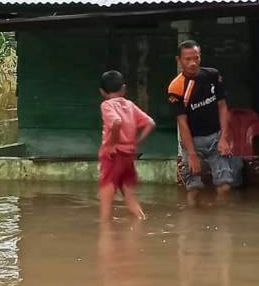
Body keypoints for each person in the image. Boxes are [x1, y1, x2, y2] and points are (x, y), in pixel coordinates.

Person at [169, 40, 241, 202]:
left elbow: (222, 106)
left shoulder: (212, 75)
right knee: (194, 189)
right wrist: (192, 154)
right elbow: (182, 122)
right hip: (192, 141)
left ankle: (221, 220)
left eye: (196, 58)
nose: (193, 63)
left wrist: (224, 137)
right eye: (187, 59)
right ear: (178, 60)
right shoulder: (176, 87)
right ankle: (191, 221)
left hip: (216, 137)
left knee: (225, 186)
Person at [98, 70, 155, 221]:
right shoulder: (129, 105)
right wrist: (136, 142)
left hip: (112, 156)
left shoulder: (106, 105)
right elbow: (150, 123)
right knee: (131, 201)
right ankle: (140, 223)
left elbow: (116, 122)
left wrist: (111, 144)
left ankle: (104, 235)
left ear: (102, 92)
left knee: (105, 206)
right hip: (128, 157)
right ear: (123, 89)